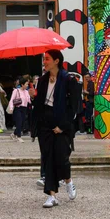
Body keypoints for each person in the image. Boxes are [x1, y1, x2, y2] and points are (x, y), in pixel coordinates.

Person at [32, 49, 79, 208]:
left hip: (62, 120)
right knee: (47, 158)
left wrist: (63, 126)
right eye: (44, 59)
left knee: (61, 157)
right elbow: (39, 104)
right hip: (45, 121)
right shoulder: (42, 80)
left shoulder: (68, 79)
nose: (44, 62)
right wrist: (33, 96)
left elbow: (74, 106)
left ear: (56, 61)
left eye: (47, 59)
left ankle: (68, 180)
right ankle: (51, 196)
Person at [9, 77, 31, 142]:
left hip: (24, 108)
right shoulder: (16, 90)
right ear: (22, 84)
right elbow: (12, 100)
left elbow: (29, 100)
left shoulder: (26, 92)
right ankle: (19, 136)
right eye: (26, 84)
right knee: (19, 122)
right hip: (18, 108)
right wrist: (11, 108)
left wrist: (32, 98)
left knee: (22, 123)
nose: (27, 85)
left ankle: (13, 134)